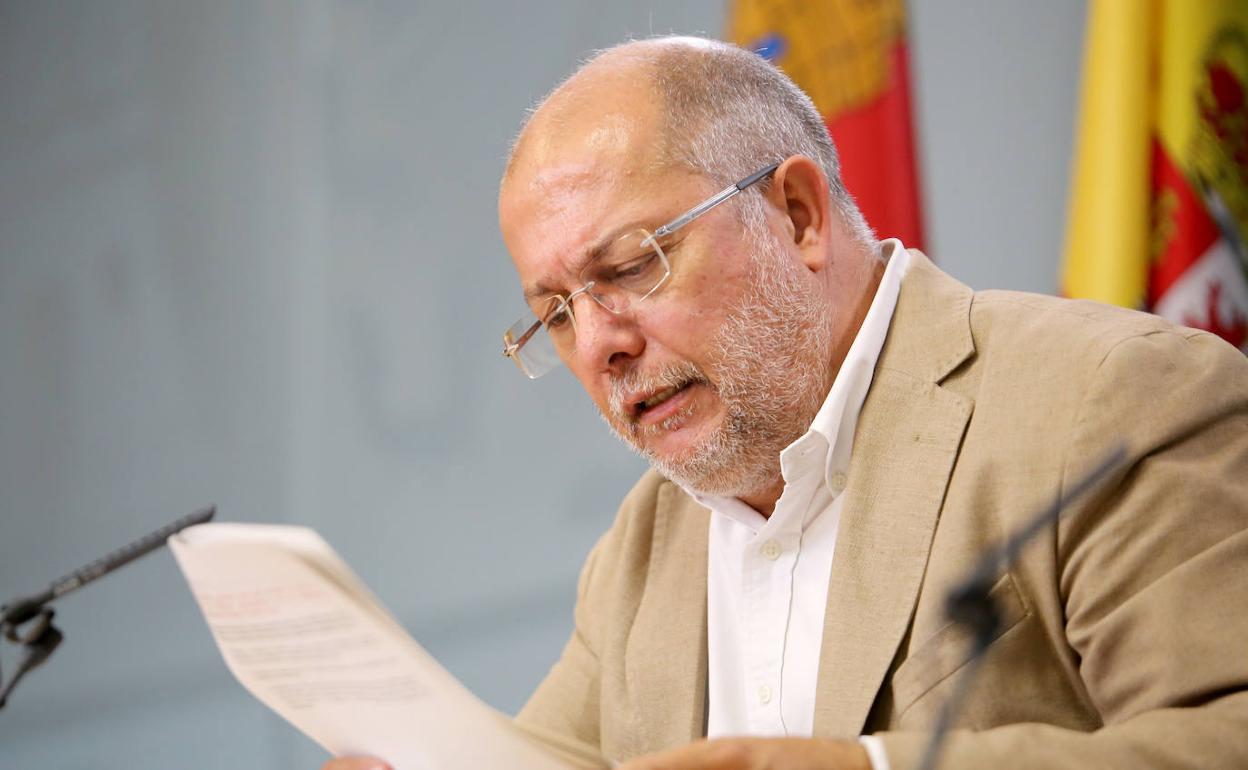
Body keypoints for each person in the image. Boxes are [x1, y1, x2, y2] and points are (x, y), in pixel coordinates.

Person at [326, 36, 1248, 770]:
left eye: (629, 266)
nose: (602, 342)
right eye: (555, 316)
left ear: (798, 213)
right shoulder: (642, 549)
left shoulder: (1111, 398)